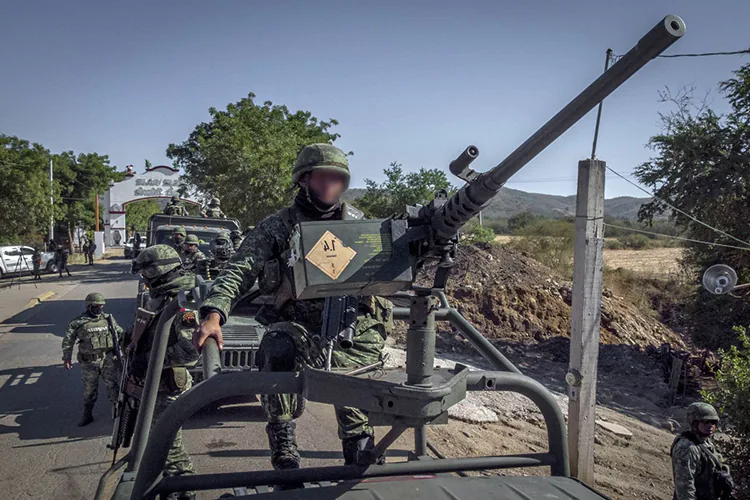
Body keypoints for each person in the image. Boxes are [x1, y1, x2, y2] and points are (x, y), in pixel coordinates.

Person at [195, 144, 392, 473]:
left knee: (355, 386)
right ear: (304, 180)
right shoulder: (278, 227)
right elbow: (239, 270)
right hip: (298, 328)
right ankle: (284, 443)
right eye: (322, 177)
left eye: (337, 178)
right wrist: (214, 314)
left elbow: (386, 269)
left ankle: (358, 445)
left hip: (348, 327)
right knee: (276, 348)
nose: (330, 185)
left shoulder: (359, 226)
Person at [130, 245, 200, 499]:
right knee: (156, 446)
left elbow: (190, 350)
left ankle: (184, 493)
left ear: (157, 270)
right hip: (156, 384)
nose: (144, 279)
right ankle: (169, 490)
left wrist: (149, 359)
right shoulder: (162, 294)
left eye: (146, 272)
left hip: (170, 383)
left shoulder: (185, 297)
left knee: (168, 448)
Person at [62, 293, 124, 426]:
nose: (100, 308)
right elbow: (68, 341)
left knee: (113, 387)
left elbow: (120, 334)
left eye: (101, 305)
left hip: (107, 360)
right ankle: (87, 414)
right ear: (89, 306)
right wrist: (67, 358)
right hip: (89, 363)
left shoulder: (108, 320)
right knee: (90, 390)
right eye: (97, 305)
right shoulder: (78, 323)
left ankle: (118, 414)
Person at [671, 402, 734, 500]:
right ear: (694, 422)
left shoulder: (706, 442)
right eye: (705, 421)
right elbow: (685, 487)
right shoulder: (687, 448)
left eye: (713, 422)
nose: (710, 425)